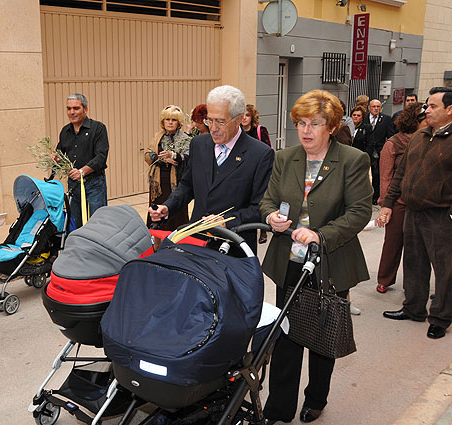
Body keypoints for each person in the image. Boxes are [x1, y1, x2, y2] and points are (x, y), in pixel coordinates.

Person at [259, 90, 373, 424]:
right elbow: (268, 201)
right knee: (287, 336)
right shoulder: (285, 158)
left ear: (332, 126)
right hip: (289, 261)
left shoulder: (352, 160)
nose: (306, 130)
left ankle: (316, 399)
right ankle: (279, 409)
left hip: (331, 262)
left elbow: (359, 212)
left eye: (316, 123)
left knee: (322, 338)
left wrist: (320, 235)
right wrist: (271, 218)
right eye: (301, 123)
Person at [148, 85, 274, 253]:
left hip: (233, 247)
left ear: (239, 119)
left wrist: (227, 222)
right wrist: (168, 207)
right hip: (196, 241)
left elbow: (260, 207)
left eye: (220, 121)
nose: (213, 128)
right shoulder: (199, 144)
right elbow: (187, 186)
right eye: (210, 120)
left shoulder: (260, 154)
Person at [380, 87, 452, 340]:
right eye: (427, 106)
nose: (426, 111)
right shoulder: (420, 136)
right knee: (414, 262)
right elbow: (401, 174)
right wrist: (388, 202)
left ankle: (441, 318)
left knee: (445, 269)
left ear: (450, 110)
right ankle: (413, 308)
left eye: (433, 106)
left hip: (442, 216)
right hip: (413, 210)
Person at [374, 102, 427, 294]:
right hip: (398, 203)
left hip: (422, 203)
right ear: (415, 121)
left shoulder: (429, 141)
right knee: (393, 244)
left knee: (417, 248)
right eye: (425, 118)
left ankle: (412, 286)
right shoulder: (393, 144)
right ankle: (384, 279)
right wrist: (385, 204)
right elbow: (386, 176)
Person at [56, 93, 109, 228]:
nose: (72, 112)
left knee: (98, 222)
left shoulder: (98, 128)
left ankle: (98, 248)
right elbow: (60, 154)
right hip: (74, 185)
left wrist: (82, 171)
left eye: (76, 108)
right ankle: (81, 248)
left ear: (85, 109)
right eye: (69, 108)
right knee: (76, 222)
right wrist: (56, 159)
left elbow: (101, 157)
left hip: (94, 184)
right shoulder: (65, 131)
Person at [144, 105, 192, 230]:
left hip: (176, 183)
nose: (170, 122)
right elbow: (147, 154)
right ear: (163, 121)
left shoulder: (185, 138)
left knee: (176, 215)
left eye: (174, 120)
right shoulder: (157, 137)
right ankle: (156, 244)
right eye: (167, 119)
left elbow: (189, 158)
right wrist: (159, 158)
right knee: (156, 215)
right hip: (158, 184)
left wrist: (175, 156)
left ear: (179, 122)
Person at [242, 104, 272, 244]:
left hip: (259, 170)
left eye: (247, 115)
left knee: (260, 200)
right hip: (244, 171)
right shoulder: (237, 131)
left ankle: (263, 230)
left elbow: (268, 149)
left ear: (252, 117)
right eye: (242, 115)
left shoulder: (260, 130)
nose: (244, 118)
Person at [367, 99, 396, 204]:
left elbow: (390, 135)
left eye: (378, 107)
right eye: (374, 106)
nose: (376, 109)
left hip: (380, 150)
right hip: (367, 151)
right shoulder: (365, 119)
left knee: (378, 174)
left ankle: (376, 196)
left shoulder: (386, 119)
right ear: (369, 108)